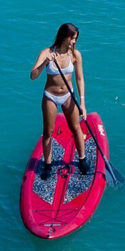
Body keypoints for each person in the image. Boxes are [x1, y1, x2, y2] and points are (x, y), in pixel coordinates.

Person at [30, 23, 90, 175]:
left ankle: (82, 159)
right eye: (72, 38)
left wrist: (82, 103)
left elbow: (80, 79)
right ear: (64, 37)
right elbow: (33, 76)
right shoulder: (47, 52)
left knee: (76, 127)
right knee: (48, 132)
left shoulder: (75, 55)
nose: (74, 42)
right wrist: (45, 62)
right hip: (50, 96)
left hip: (68, 95)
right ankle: (48, 165)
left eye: (75, 39)